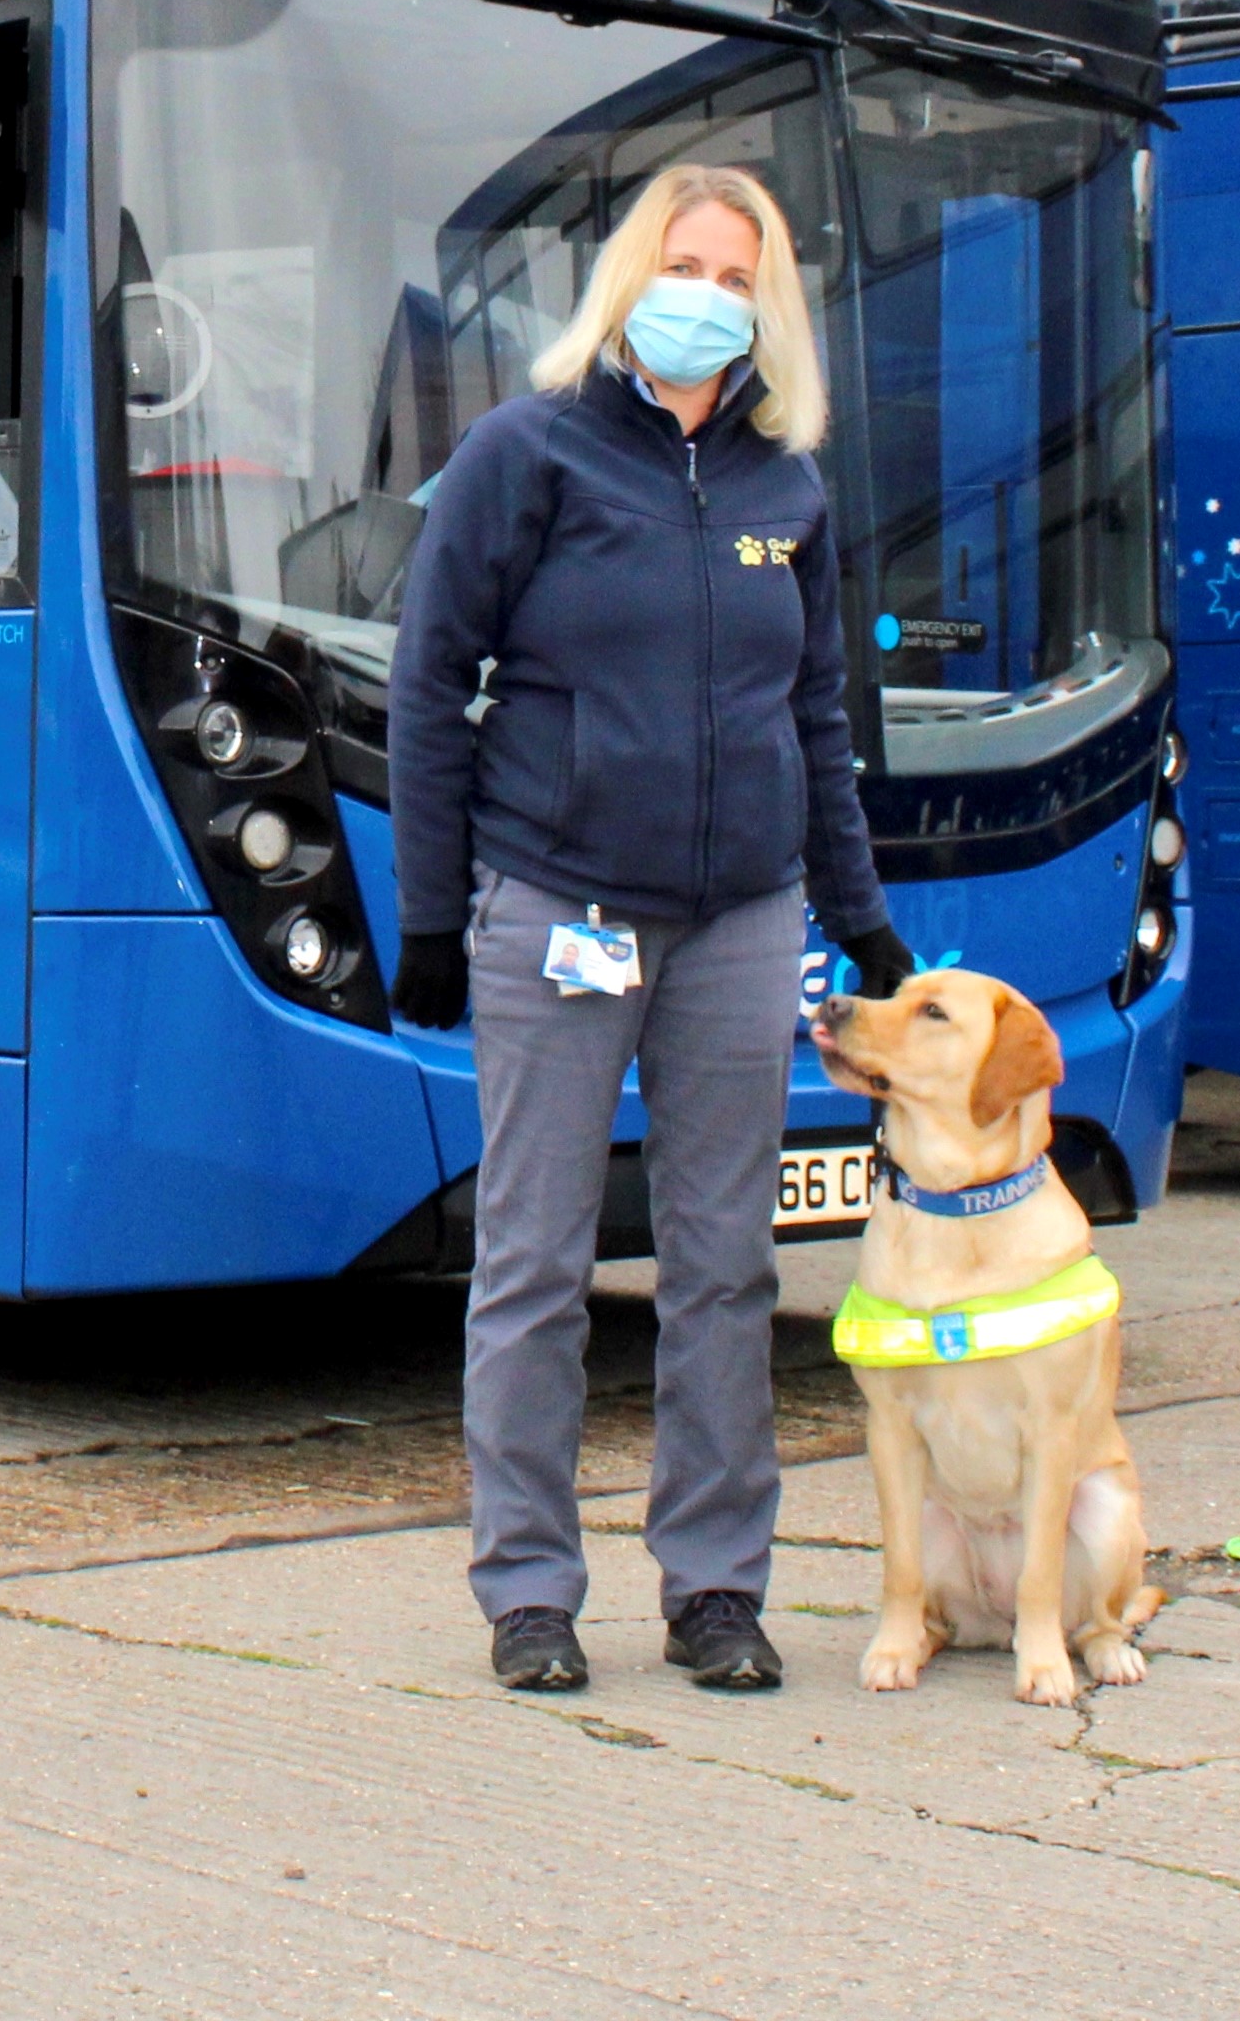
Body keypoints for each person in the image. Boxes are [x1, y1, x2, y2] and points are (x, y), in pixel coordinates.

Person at [386, 161, 913, 1699]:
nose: (709, 295)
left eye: (740, 276)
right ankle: (531, 1589)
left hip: (741, 922)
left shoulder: (787, 488)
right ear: (631, 281)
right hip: (559, 904)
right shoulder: (526, 452)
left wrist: (863, 923)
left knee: (723, 1268)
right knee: (538, 1263)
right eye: (687, 264)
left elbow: (815, 716)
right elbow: (431, 684)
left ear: (771, 308)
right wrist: (431, 916)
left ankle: (716, 1588)